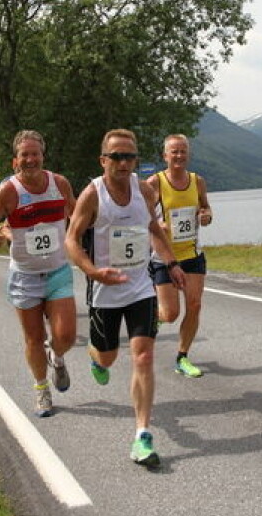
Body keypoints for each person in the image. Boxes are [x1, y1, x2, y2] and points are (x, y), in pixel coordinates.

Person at [65, 128, 185, 468]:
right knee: (107, 358)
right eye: (116, 156)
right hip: (104, 289)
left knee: (144, 356)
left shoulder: (144, 191)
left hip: (140, 287)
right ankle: (95, 357)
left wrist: (171, 262)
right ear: (103, 160)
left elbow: (153, 229)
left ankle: (142, 435)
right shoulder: (92, 194)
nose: (123, 162)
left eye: (129, 156)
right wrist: (92, 271)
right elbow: (71, 240)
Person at [0, 130, 77, 418]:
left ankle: (56, 356)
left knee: (66, 335)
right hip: (25, 276)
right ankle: (41, 389)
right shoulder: (8, 191)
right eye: (25, 155)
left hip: (57, 271)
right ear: (15, 161)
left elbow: (80, 214)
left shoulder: (59, 184)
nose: (30, 159)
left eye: (35, 154)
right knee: (33, 338)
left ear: (43, 157)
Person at [146, 134, 213, 378]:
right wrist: (157, 224)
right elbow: (139, 217)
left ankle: (182, 357)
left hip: (192, 255)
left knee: (194, 305)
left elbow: (205, 207)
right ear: (165, 155)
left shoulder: (198, 181)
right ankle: (153, 316)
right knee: (170, 314)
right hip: (164, 257)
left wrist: (206, 215)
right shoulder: (154, 182)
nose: (179, 156)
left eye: (183, 151)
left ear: (188, 154)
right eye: (174, 151)